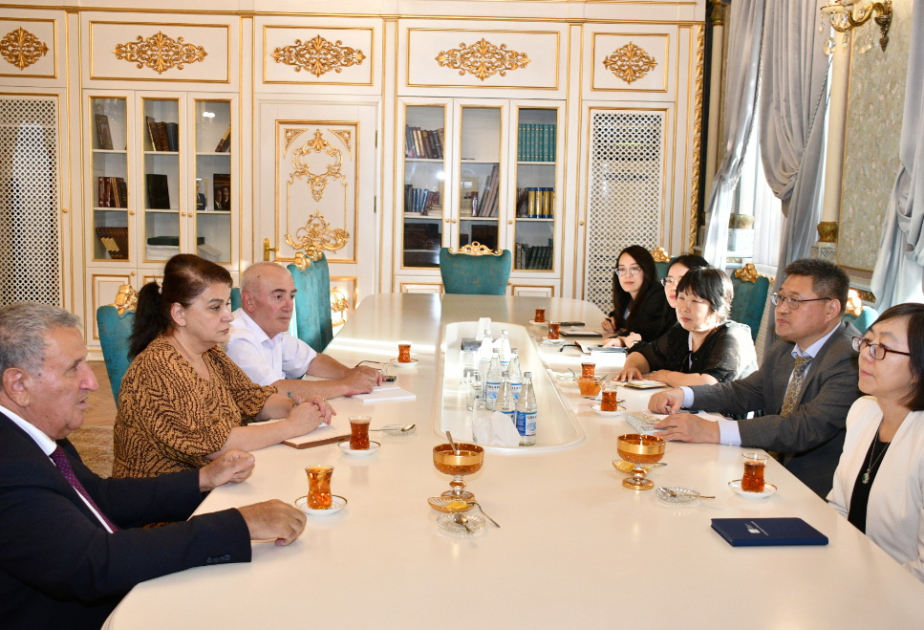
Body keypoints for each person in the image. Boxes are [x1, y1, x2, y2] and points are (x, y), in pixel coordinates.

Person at [0, 302, 306, 630]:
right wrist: (238, 525)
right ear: (18, 385)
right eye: (75, 368)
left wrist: (203, 479)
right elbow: (93, 565)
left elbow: (98, 497)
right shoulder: (9, 463)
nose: (93, 382)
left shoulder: (32, 431)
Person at [648, 258, 861, 497]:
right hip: (763, 470)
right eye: (780, 298)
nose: (781, 308)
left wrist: (711, 430)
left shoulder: (850, 358)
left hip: (813, 491)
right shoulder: (786, 346)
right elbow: (746, 391)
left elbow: (802, 428)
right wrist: (683, 394)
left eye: (795, 301)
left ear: (831, 309)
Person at [113, 254, 333, 479]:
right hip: (166, 500)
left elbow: (252, 398)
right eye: (215, 307)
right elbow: (215, 445)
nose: (228, 316)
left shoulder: (209, 351)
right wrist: (292, 426)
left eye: (227, 304)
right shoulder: (159, 368)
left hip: (214, 481)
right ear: (179, 314)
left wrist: (294, 407)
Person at [828, 304, 924, 582]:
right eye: (867, 342)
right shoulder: (864, 411)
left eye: (882, 348)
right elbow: (838, 506)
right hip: (847, 573)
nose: (866, 356)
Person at [225, 262, 382, 399]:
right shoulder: (237, 340)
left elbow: (311, 361)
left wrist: (348, 373)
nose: (289, 306)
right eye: (278, 297)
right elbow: (272, 391)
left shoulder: (271, 328)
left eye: (291, 296)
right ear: (249, 301)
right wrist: (346, 386)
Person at [615, 266, 757, 387]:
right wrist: (631, 367)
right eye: (681, 298)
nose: (683, 308)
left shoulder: (733, 335)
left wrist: (666, 376)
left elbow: (709, 383)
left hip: (724, 417)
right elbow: (645, 355)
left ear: (718, 305)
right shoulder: (683, 331)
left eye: (695, 301)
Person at [601, 246, 669, 348]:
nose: (627, 275)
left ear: (646, 270)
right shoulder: (628, 296)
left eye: (634, 268)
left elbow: (644, 333)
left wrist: (621, 340)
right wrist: (612, 320)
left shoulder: (658, 295)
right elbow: (623, 317)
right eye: (622, 269)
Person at [650, 254, 709, 341]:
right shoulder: (671, 318)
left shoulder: (702, 326)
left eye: (682, 281)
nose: (673, 287)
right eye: (669, 281)